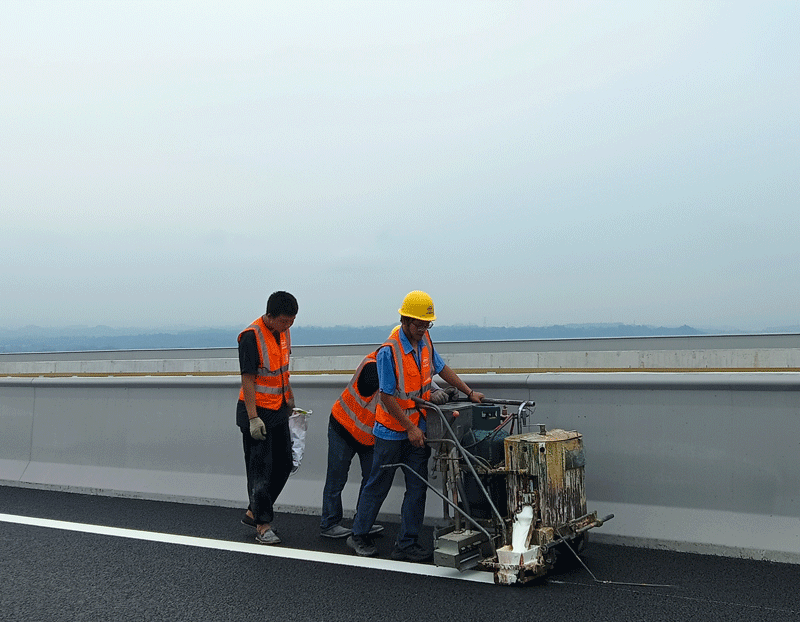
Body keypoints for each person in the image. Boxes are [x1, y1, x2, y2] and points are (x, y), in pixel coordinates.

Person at [346, 291, 484, 561]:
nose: (423, 329)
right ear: (406, 320)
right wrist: (409, 427)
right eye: (419, 324)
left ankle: (406, 544)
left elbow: (442, 368)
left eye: (427, 324)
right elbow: (387, 396)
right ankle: (358, 535)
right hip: (391, 431)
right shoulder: (389, 351)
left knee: (418, 487)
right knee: (378, 485)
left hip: (417, 427)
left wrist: (469, 392)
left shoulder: (426, 342)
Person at [236, 291, 298, 545]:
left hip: (279, 408)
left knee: (285, 464)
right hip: (257, 412)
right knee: (260, 470)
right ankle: (263, 525)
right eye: (284, 321)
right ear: (270, 316)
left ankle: (255, 510)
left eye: (292, 321)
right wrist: (253, 418)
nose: (288, 326)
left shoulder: (283, 333)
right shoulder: (251, 337)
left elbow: (283, 370)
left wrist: (290, 398)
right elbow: (248, 380)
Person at [319, 351, 385, 539]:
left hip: (368, 434)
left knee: (371, 479)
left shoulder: (392, 368)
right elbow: (372, 388)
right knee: (336, 477)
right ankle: (329, 523)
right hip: (344, 427)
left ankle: (362, 521)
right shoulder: (373, 366)